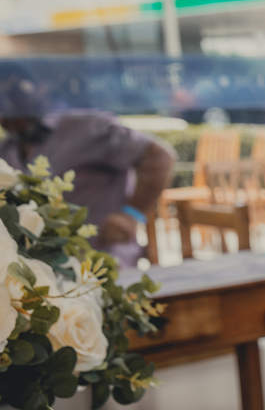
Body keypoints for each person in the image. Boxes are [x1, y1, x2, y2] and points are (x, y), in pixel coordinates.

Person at [0, 62, 176, 269]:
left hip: (102, 264)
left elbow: (160, 157)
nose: (13, 116)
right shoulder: (8, 148)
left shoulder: (88, 127)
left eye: (19, 101)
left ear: (41, 89)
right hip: (41, 268)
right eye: (3, 108)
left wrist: (132, 214)